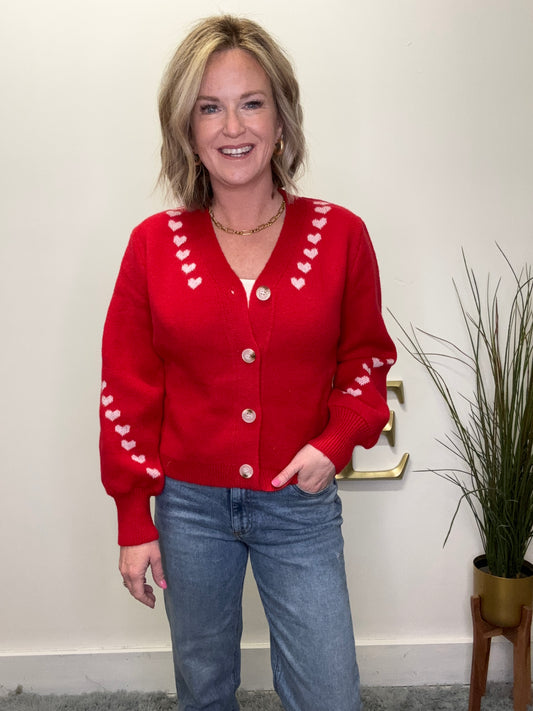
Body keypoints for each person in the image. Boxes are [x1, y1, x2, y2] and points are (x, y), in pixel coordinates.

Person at [100, 14, 396, 711]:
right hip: (187, 506)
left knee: (328, 695)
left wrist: (330, 445)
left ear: (282, 120)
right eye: (209, 107)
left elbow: (366, 364)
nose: (232, 125)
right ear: (188, 131)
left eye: (251, 102)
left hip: (298, 504)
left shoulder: (341, 236)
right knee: (203, 688)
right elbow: (126, 389)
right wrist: (134, 521)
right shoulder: (153, 244)